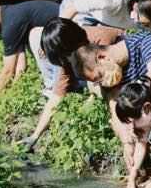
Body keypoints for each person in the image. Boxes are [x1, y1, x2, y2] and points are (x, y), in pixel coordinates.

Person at [66, 31, 151, 171]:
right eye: (98, 81)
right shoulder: (113, 72)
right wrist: (126, 142)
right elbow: (116, 112)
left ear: (102, 57)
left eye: (100, 76)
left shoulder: (147, 42)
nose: (104, 83)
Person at [20, 17, 123, 150]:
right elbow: (56, 98)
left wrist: (117, 120)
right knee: (93, 85)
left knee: (96, 86)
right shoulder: (69, 57)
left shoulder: (100, 43)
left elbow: (111, 88)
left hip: (124, 68)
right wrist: (35, 136)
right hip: (108, 79)